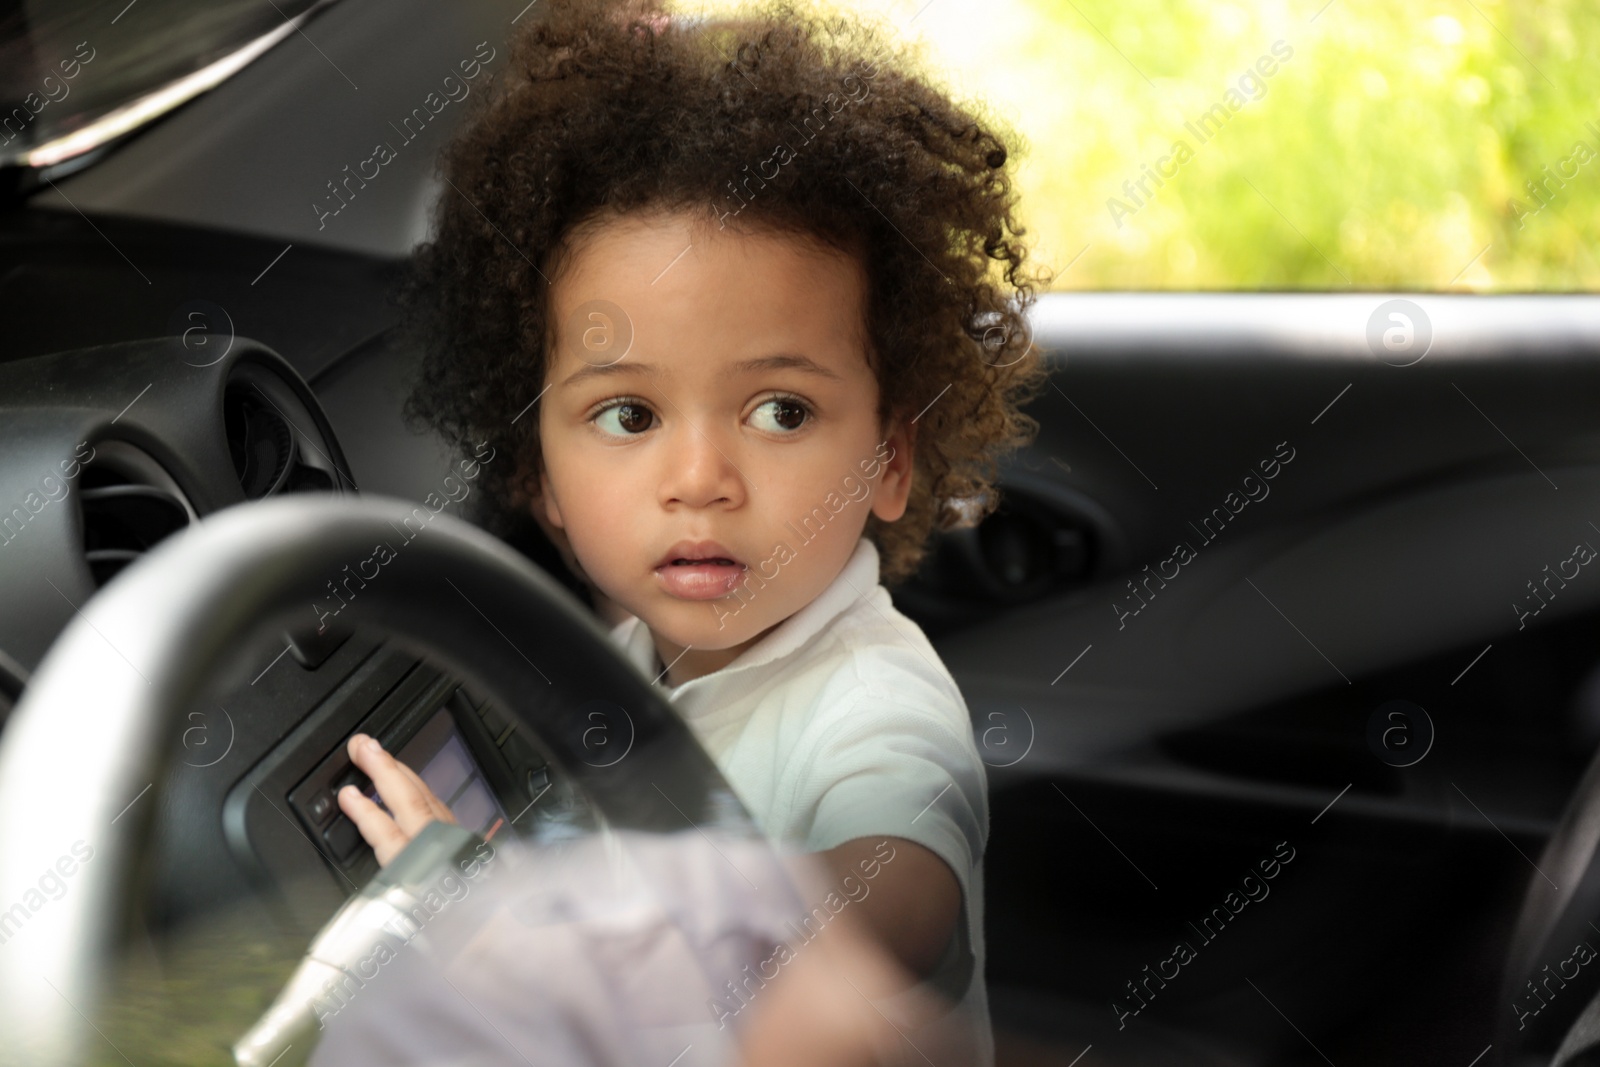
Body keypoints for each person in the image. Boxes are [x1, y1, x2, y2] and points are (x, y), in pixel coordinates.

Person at [337, 0, 1051, 1060]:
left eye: (780, 412)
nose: (701, 479)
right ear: (539, 475)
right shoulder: (621, 661)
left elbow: (882, 910)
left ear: (891, 459)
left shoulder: (875, 707)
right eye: (628, 416)